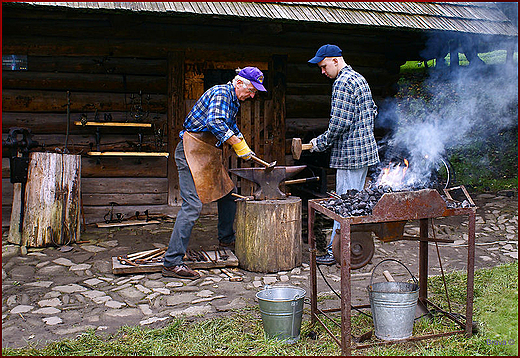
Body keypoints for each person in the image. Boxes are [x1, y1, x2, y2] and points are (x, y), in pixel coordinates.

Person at [162, 67, 267, 279]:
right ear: (239, 83)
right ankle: (172, 262)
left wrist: (244, 146)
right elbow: (215, 122)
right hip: (191, 151)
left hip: (207, 152)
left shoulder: (233, 100)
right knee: (192, 206)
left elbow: (229, 126)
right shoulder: (221, 92)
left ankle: (226, 239)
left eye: (255, 92)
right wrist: (237, 144)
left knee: (227, 192)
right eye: (251, 90)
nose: (253, 95)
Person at [308, 44, 380, 265]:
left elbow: (339, 123)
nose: (323, 72)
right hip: (364, 152)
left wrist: (318, 143)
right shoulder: (359, 78)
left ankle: (336, 251)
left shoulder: (342, 82)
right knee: (356, 202)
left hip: (350, 155)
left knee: (344, 205)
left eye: (324, 66)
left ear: (335, 61)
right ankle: (351, 248)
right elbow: (373, 110)